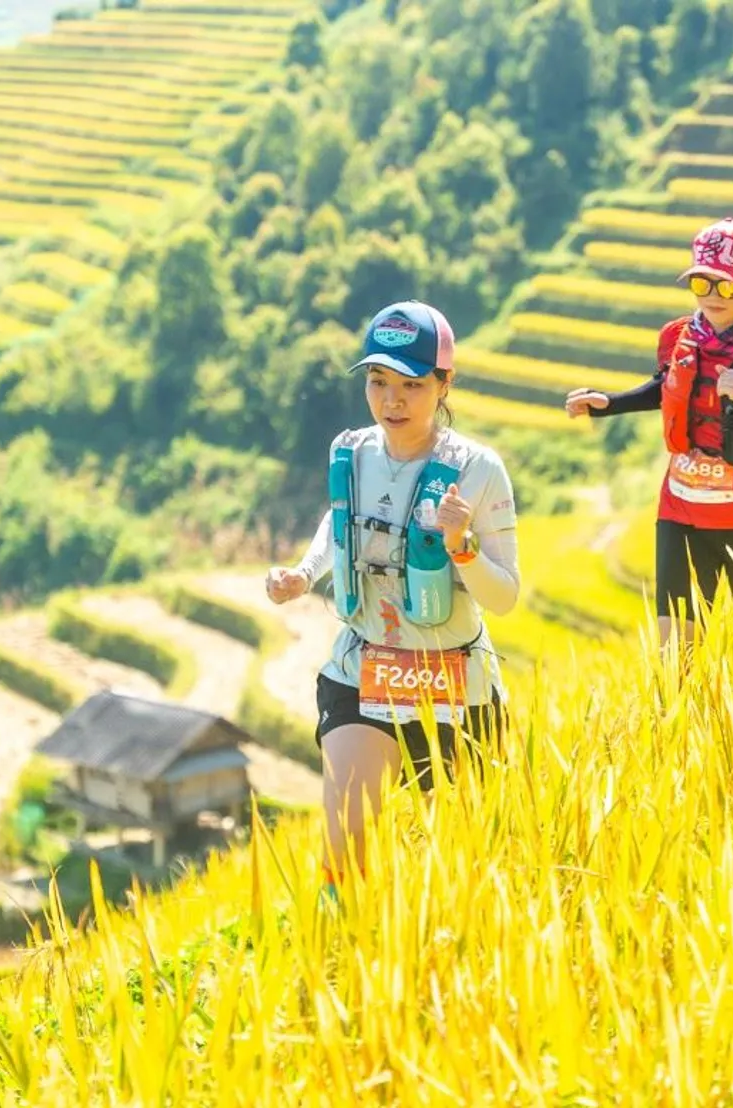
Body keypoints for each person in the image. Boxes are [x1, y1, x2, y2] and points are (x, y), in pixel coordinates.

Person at [264, 300, 520, 900]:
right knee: (343, 853)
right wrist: (303, 575)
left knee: (469, 863)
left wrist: (461, 549)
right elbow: (340, 522)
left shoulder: (478, 470)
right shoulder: (352, 452)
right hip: (364, 668)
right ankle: (337, 955)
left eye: (411, 385)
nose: (392, 402)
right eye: (379, 383)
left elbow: (504, 596)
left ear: (443, 384)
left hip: (457, 682)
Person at [564, 217, 733, 643]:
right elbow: (669, 387)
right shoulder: (677, 335)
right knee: (675, 657)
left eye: (728, 286)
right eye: (702, 284)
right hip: (681, 510)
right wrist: (610, 403)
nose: (713, 297)